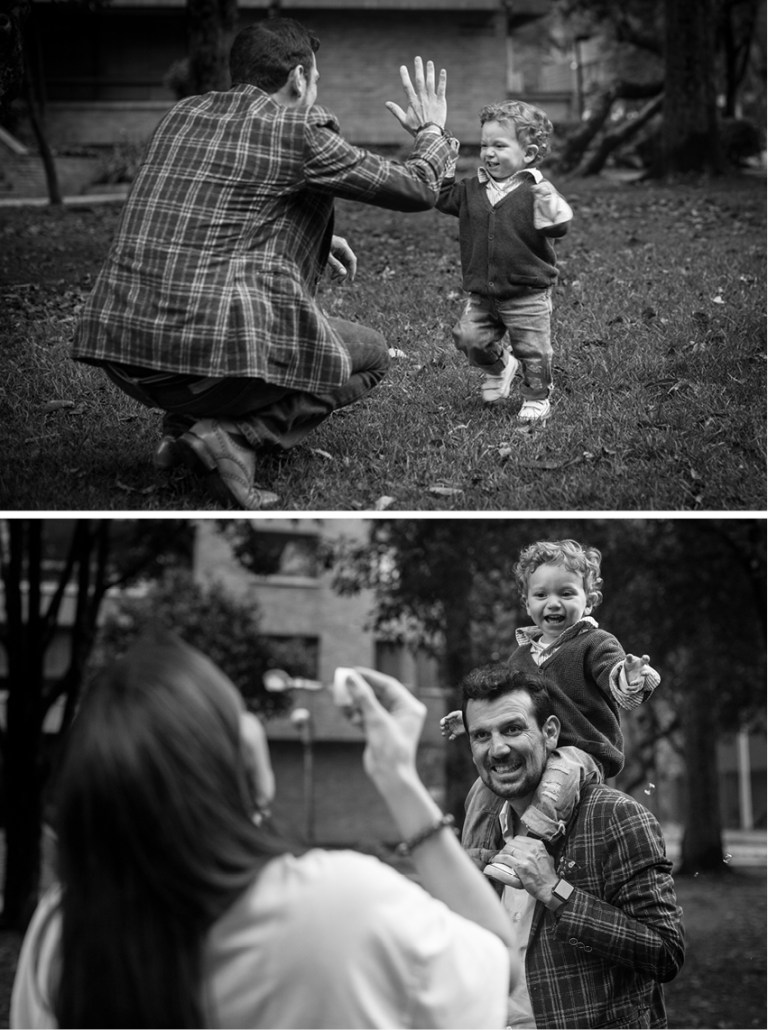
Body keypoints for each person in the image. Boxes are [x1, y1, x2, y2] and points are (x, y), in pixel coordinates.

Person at [11, 634, 518, 1029]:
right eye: (240, 711)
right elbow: (495, 967)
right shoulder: (339, 904)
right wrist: (398, 778)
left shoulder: (62, 929)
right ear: (235, 759)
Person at [71, 19, 458, 510]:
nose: (315, 91)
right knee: (372, 355)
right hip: (202, 367)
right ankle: (234, 436)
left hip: (125, 358)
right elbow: (418, 187)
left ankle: (180, 434)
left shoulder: (182, 115)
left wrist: (317, 235)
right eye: (316, 80)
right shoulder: (298, 131)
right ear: (298, 78)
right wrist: (432, 130)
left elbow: (211, 209)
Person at [460, 664, 685, 1029]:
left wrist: (556, 891)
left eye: (513, 729)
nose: (497, 749)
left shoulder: (615, 816)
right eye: (482, 735)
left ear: (550, 732)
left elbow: (665, 954)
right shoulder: (483, 830)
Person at [441, 538, 660, 859]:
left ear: (589, 601)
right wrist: (469, 719)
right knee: (483, 788)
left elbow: (614, 676)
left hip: (582, 750)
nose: (553, 603)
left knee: (558, 777)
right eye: (541, 595)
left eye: (566, 593)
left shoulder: (595, 643)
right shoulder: (520, 655)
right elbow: (505, 704)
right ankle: (475, 857)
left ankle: (530, 847)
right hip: (536, 750)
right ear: (527, 603)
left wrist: (629, 676)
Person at [435, 100, 572, 423]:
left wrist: (552, 211)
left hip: (527, 291)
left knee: (533, 350)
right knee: (469, 338)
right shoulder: (472, 189)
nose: (488, 152)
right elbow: (442, 198)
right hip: (483, 292)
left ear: (528, 153)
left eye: (499, 145)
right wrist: (445, 162)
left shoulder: (538, 190)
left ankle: (537, 397)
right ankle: (501, 367)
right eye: (484, 145)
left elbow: (559, 227)